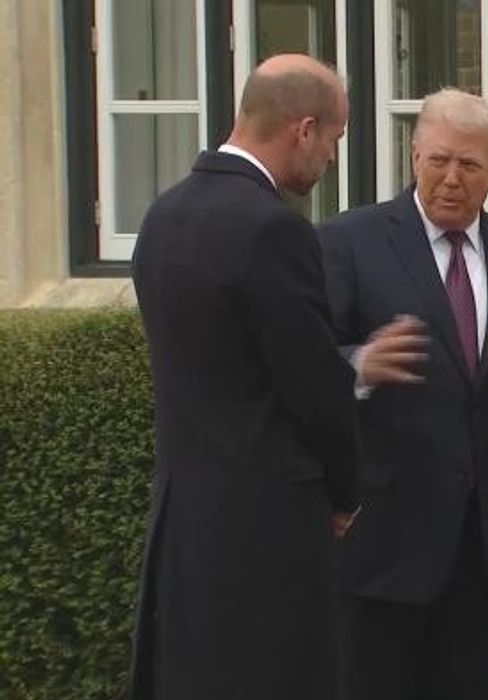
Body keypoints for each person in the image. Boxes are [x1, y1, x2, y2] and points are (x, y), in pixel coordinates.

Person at [129, 54, 359, 700]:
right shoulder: (272, 230)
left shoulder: (163, 216)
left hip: (182, 520)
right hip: (268, 529)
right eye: (335, 139)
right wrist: (345, 491)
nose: (331, 158)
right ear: (304, 130)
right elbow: (314, 385)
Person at [318, 88, 488, 700]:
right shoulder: (350, 242)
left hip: (486, 549)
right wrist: (359, 365)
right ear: (414, 154)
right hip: (383, 546)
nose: (451, 178)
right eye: (438, 159)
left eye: (469, 164)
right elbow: (301, 364)